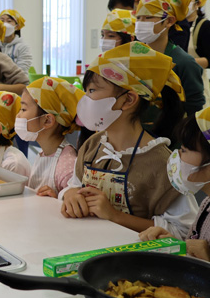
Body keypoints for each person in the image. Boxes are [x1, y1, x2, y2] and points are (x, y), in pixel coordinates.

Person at [60, 42, 198, 239]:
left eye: (92, 91)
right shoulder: (92, 145)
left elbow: (183, 231)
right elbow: (73, 185)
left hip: (135, 263)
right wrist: (70, 195)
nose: (85, 99)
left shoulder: (164, 164)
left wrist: (115, 216)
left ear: (128, 100)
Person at [139, 106, 210, 261]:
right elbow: (194, 251)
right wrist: (176, 244)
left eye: (184, 150)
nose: (176, 156)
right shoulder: (206, 204)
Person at [135, 0, 205, 117]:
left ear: (169, 21)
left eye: (148, 17)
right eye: (138, 18)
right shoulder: (134, 57)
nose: (140, 23)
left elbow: (194, 110)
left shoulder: (184, 63)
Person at [17, 77, 85, 197]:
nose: (18, 115)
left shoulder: (67, 165)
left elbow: (75, 203)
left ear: (47, 120)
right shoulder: (45, 153)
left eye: (23, 109)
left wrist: (58, 199)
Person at [108, 0, 190, 51]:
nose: (121, 18)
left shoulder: (178, 27)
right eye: (138, 18)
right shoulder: (138, 28)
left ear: (137, 3)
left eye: (123, 13)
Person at [180, 0, 210, 108]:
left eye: (188, 0)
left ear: (197, 4)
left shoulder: (205, 26)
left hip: (197, 82)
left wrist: (185, 64)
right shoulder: (174, 25)